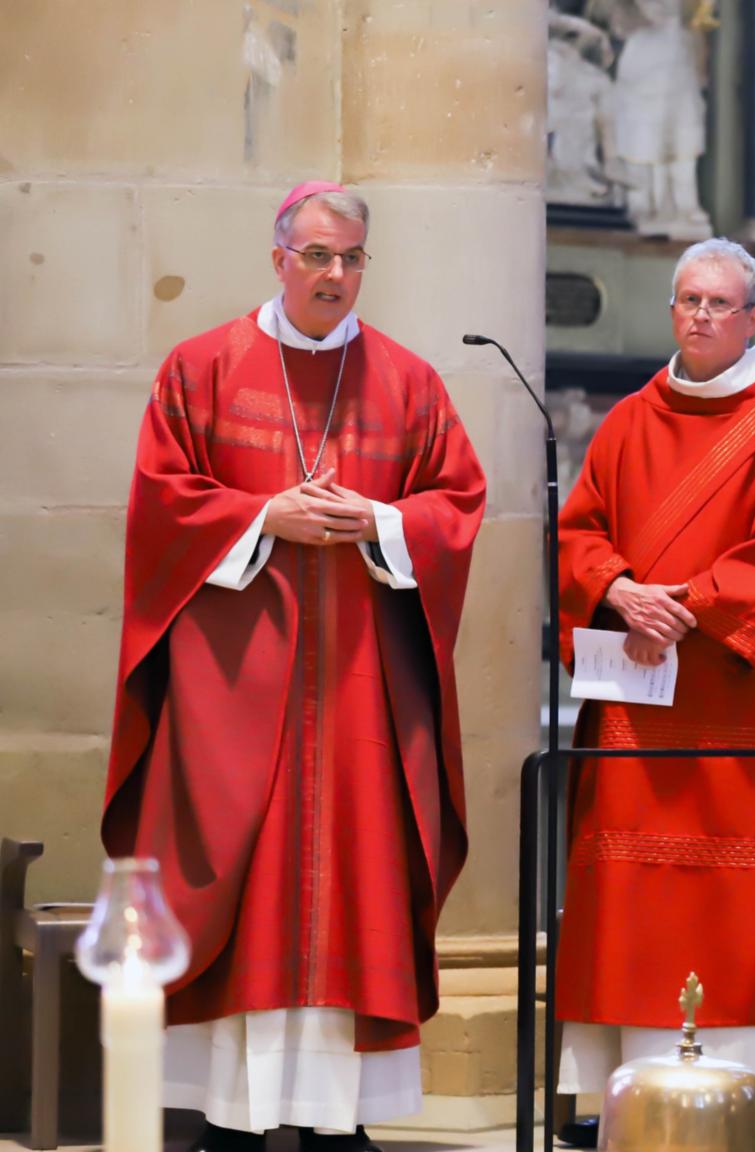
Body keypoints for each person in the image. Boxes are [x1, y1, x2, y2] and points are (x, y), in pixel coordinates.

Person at [104, 182, 486, 1152]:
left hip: (361, 690)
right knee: (248, 876)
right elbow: (159, 504)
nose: (336, 275)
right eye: (318, 255)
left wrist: (386, 522)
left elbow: (458, 503)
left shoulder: (408, 381)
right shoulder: (203, 368)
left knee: (350, 883)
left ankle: (333, 1115)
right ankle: (232, 1114)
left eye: (353, 258)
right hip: (234, 689)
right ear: (278, 258)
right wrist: (259, 515)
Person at [554, 239, 755, 1116]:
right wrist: (615, 590)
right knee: (629, 901)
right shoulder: (629, 420)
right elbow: (578, 532)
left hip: (739, 707)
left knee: (737, 906)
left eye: (719, 304)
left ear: (754, 318)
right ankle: (620, 1094)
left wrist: (683, 605)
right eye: (687, 301)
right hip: (638, 712)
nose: (699, 317)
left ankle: (743, 1095)